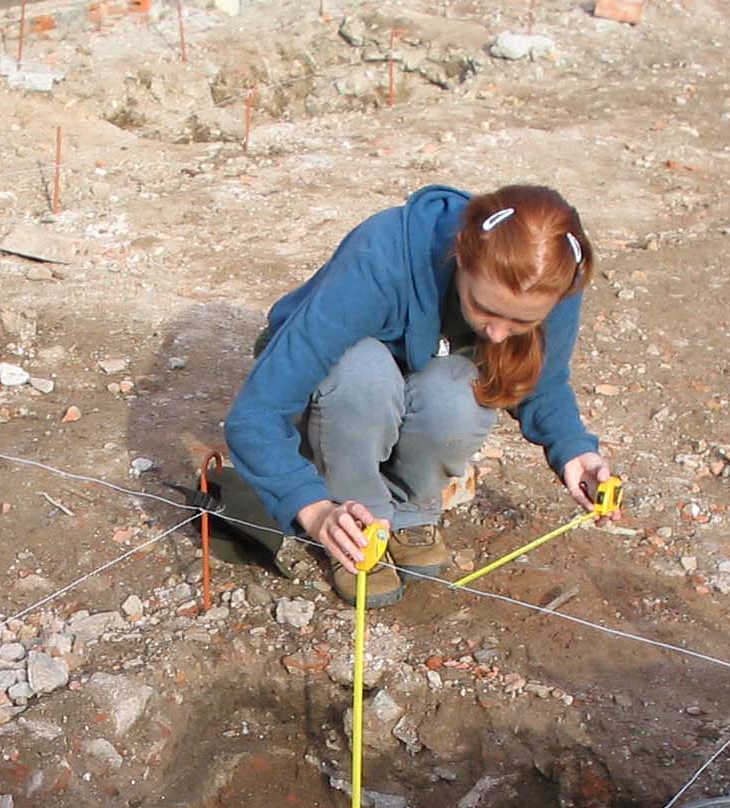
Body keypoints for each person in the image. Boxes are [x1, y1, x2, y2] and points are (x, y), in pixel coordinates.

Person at [223, 184, 613, 606]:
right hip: (336, 389)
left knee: (458, 390)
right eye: (485, 309)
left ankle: (408, 509)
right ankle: (358, 518)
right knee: (365, 374)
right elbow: (257, 413)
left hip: (421, 373)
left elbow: (544, 381)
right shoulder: (382, 257)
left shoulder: (552, 283)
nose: (497, 333)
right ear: (461, 257)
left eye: (520, 322)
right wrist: (313, 510)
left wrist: (572, 448)